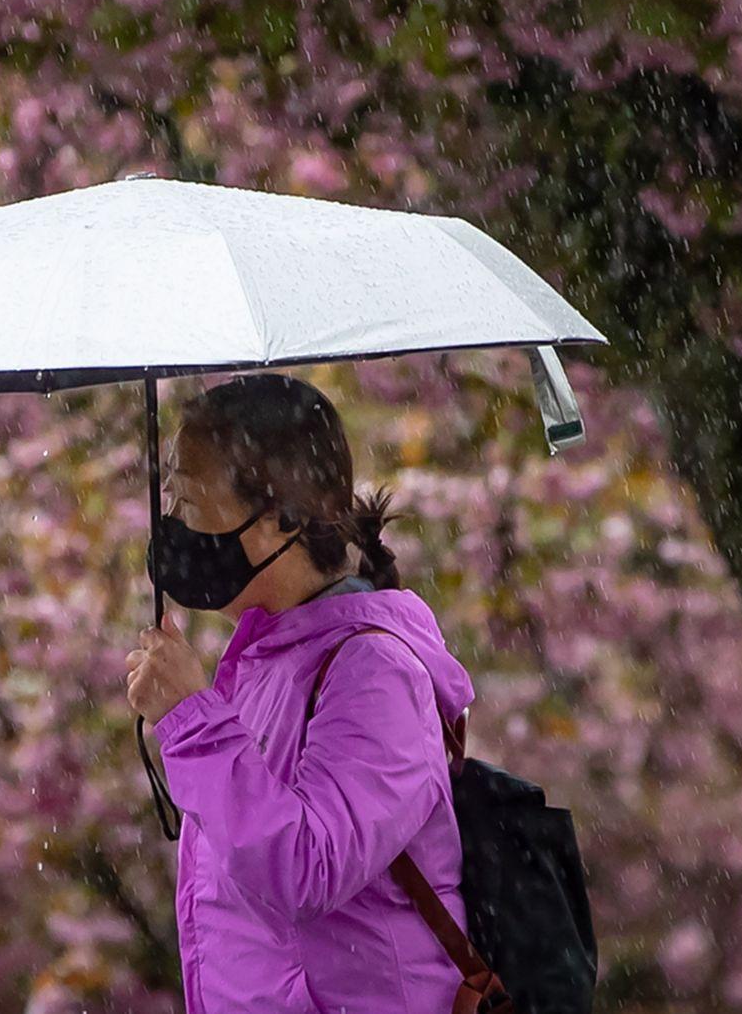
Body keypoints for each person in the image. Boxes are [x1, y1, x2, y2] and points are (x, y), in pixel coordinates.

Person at [124, 373, 478, 1014]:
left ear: (279, 523)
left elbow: (304, 869)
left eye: (191, 505)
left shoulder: (374, 673)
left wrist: (190, 720)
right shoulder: (263, 662)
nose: (173, 527)